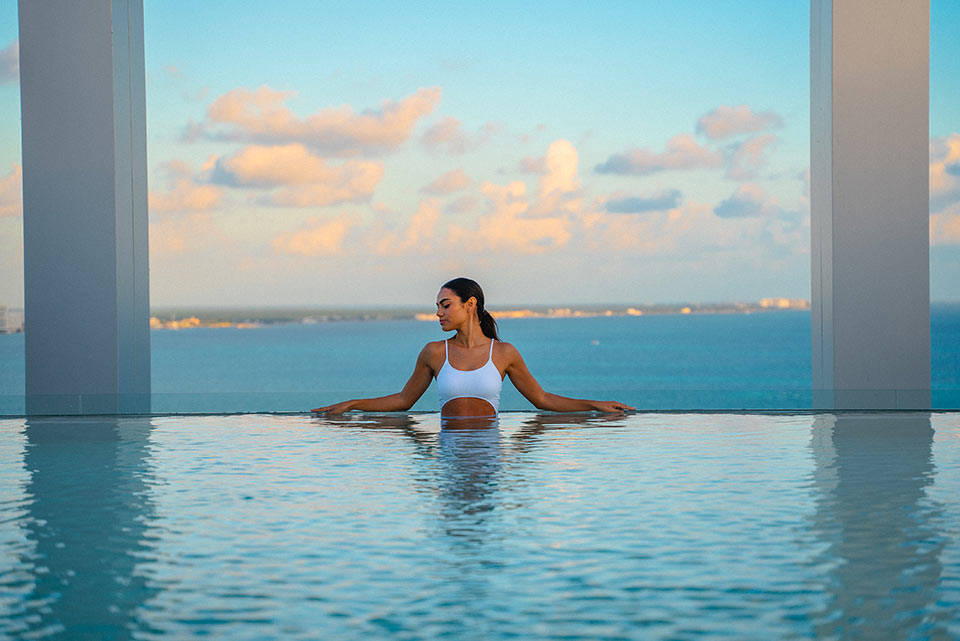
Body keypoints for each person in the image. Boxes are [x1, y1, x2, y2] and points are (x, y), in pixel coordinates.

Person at [311, 277, 635, 417]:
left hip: (489, 453)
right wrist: (352, 404)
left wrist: (595, 405)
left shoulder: (504, 353)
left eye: (445, 305)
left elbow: (543, 399)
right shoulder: (434, 352)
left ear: (470, 305)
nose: (438, 312)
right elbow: (402, 400)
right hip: (448, 452)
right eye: (437, 306)